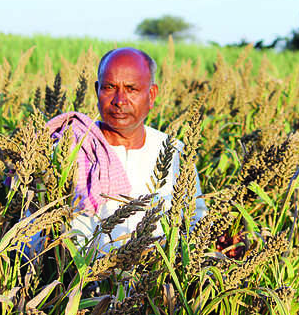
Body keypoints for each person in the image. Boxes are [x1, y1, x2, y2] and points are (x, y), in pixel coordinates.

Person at [46, 47, 207, 254]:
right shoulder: (70, 148)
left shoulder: (174, 152)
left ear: (151, 95)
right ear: (97, 90)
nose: (119, 100)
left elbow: (194, 218)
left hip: (154, 281)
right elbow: (34, 227)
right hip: (79, 281)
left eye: (131, 89)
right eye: (110, 87)